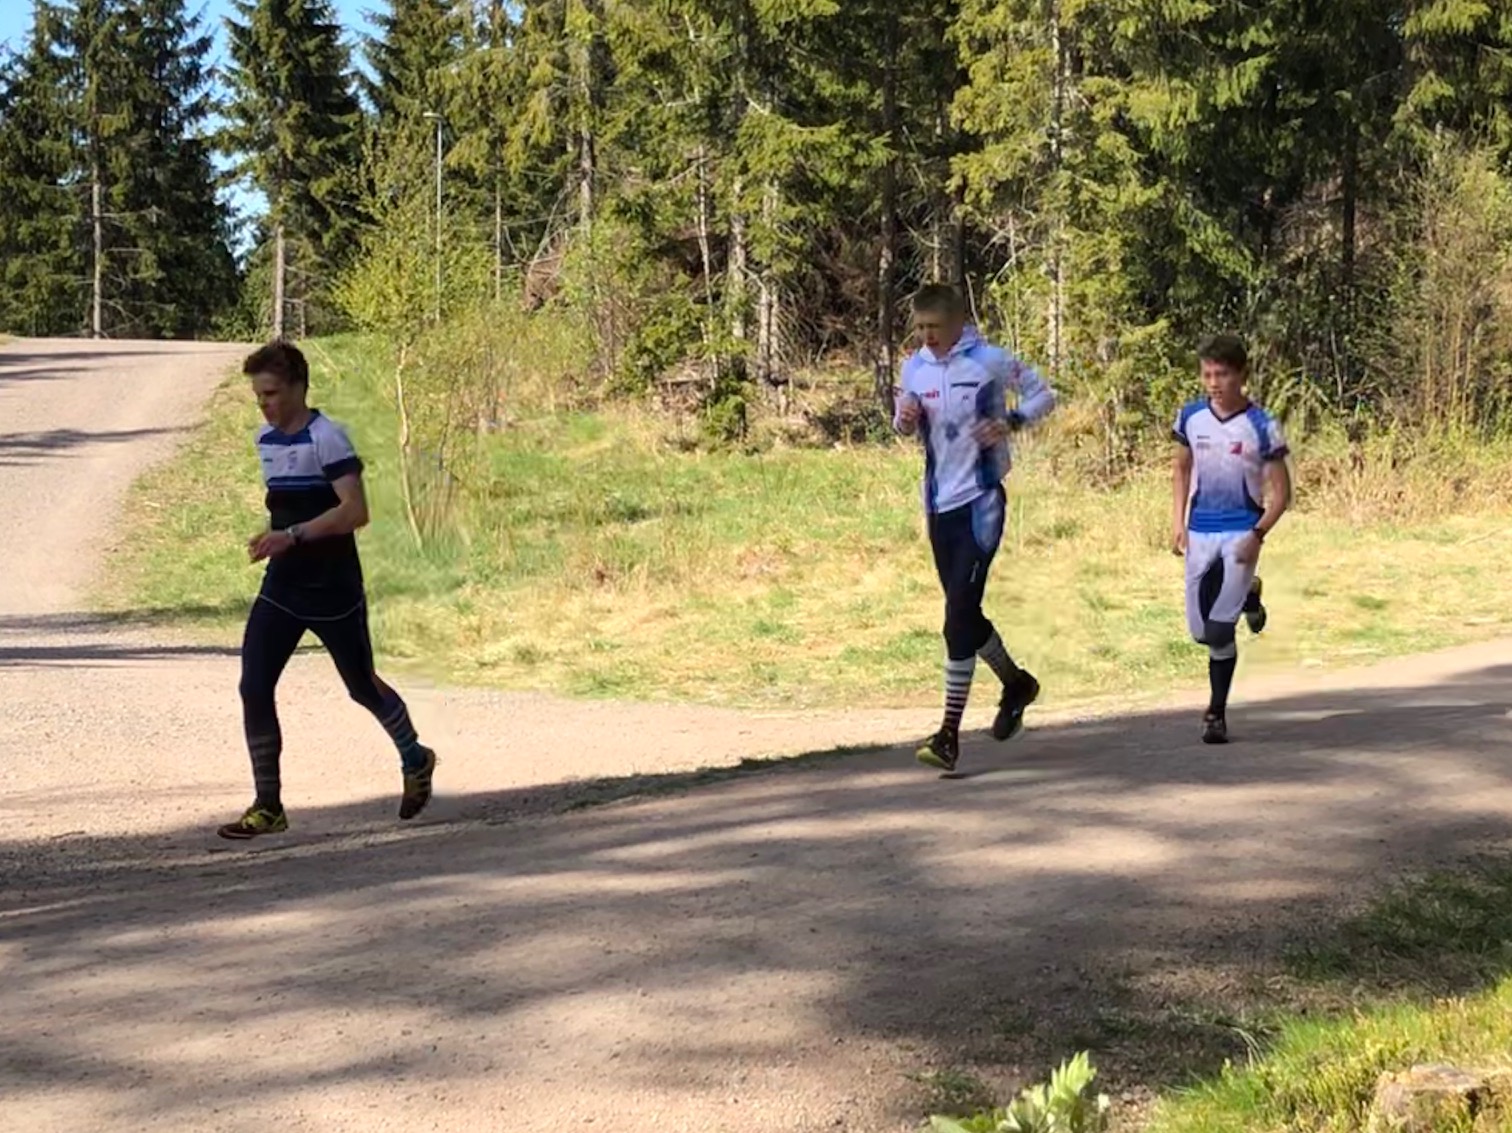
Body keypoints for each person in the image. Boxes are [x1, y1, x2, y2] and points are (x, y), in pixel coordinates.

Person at [218, 341, 436, 839]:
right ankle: (268, 806)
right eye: (258, 396)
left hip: (333, 587)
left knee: (361, 686)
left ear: (298, 387)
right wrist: (274, 538)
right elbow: (290, 507)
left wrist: (291, 536)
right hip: (283, 586)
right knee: (254, 686)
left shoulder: (328, 438)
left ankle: (415, 757)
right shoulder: (265, 440)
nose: (264, 405)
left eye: (271, 394)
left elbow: (355, 512)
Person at [894, 283, 1056, 773]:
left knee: (956, 617)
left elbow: (1043, 395)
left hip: (982, 502)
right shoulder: (914, 367)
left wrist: (1011, 421)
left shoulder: (988, 361)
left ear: (957, 322)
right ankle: (1016, 684)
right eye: (920, 328)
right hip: (939, 506)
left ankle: (948, 735)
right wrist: (905, 418)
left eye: (935, 327)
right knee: (963, 615)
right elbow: (902, 425)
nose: (927, 336)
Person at [1171, 333, 1292, 745]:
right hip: (1200, 531)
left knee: (1220, 632)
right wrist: (1177, 522)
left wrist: (1258, 534)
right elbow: (1180, 470)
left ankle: (1215, 714)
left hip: (1242, 531)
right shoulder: (1190, 417)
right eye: (1207, 374)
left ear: (1241, 374)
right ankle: (1249, 597)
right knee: (1200, 633)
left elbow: (1282, 495)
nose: (1213, 383)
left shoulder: (1263, 425)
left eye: (1221, 374)